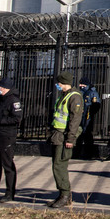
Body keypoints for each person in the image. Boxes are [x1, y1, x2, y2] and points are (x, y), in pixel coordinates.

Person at [47, 71, 83, 208]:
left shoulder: (74, 97)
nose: (57, 85)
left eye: (59, 83)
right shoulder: (65, 96)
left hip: (64, 136)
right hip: (58, 135)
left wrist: (70, 139)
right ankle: (63, 194)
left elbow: (75, 120)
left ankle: (65, 195)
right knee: (57, 165)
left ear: (64, 83)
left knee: (59, 165)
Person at [76, 77, 101, 159]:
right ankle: (78, 153)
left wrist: (90, 113)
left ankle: (89, 154)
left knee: (87, 134)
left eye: (81, 84)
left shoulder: (91, 92)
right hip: (81, 116)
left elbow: (96, 105)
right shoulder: (81, 92)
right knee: (79, 133)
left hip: (88, 116)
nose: (80, 85)